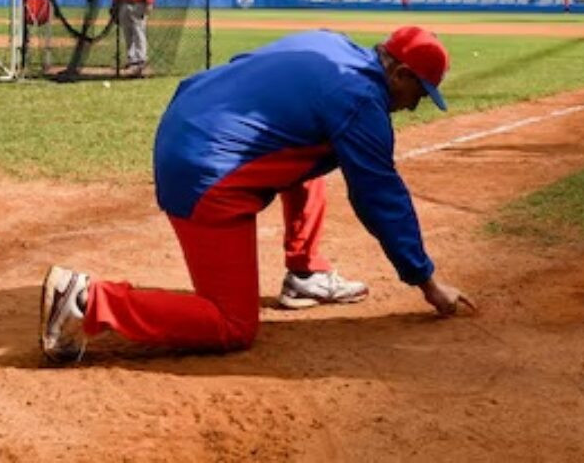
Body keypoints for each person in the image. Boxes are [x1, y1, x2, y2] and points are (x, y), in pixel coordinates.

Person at [39, 25, 475, 364]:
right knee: (232, 325)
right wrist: (428, 283)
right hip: (205, 173)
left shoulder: (330, 44)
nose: (414, 106)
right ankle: (87, 301)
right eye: (418, 92)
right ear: (399, 73)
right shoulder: (360, 100)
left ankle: (305, 273)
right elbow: (380, 197)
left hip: (191, 123)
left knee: (313, 154)